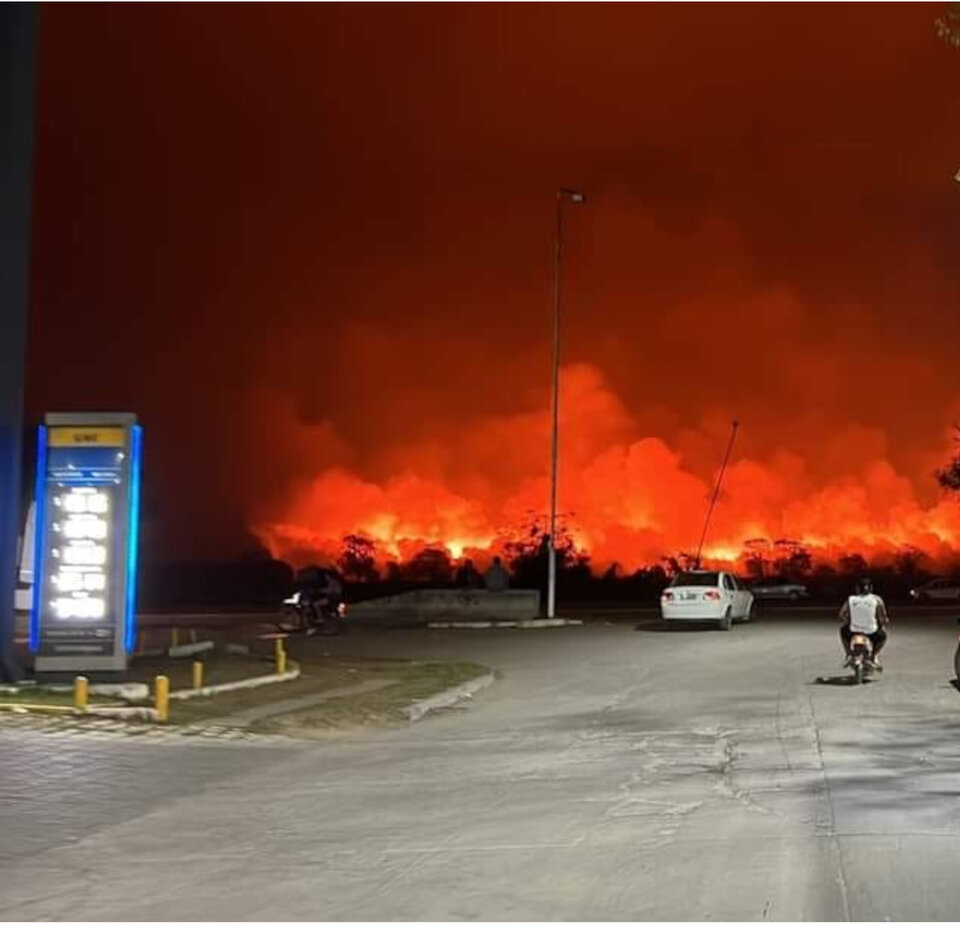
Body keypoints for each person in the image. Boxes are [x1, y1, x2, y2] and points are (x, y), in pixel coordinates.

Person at [839, 577, 889, 668]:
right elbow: (882, 617)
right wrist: (884, 623)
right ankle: (874, 655)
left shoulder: (851, 599)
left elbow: (842, 614)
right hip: (871, 631)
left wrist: (848, 620)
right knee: (883, 636)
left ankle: (849, 654)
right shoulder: (877, 599)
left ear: (857, 588)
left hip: (853, 630)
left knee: (842, 630)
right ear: (870, 588)